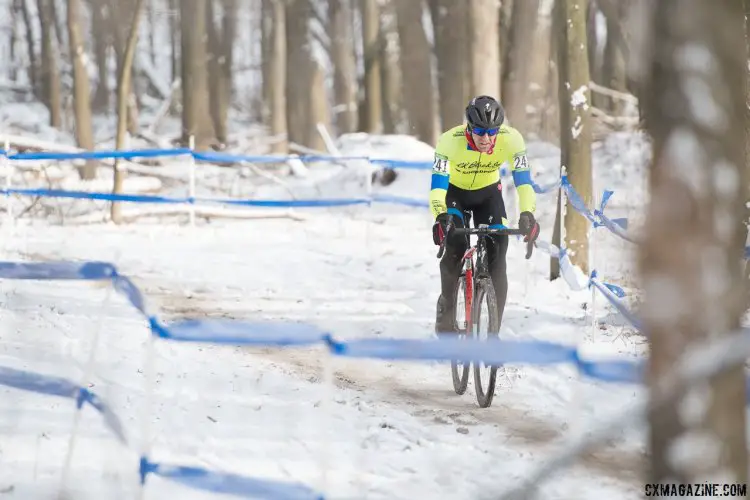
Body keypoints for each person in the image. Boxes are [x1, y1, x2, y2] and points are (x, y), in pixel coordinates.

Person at [430, 95, 540, 335]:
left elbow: (524, 183)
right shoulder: (449, 141)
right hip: (455, 195)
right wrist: (440, 216)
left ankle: (493, 336)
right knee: (455, 247)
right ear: (469, 127)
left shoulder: (512, 139)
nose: (486, 138)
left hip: (488, 196)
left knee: (498, 257)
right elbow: (438, 187)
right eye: (479, 131)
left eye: (492, 132)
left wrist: (527, 214)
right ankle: (446, 308)